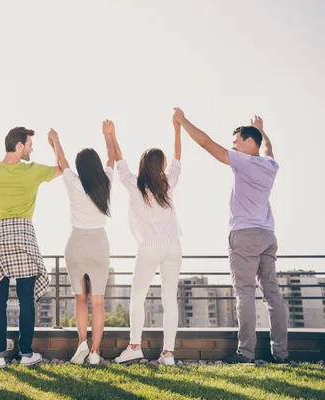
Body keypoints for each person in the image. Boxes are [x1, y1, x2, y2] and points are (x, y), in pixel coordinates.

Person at [173, 108, 288, 364]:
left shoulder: (243, 161)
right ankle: (280, 353)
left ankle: (245, 353)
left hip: (244, 235)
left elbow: (206, 144)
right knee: (273, 294)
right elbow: (268, 148)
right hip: (267, 235)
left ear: (249, 143)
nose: (233, 146)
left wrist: (183, 121)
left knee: (245, 293)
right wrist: (261, 129)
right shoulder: (270, 165)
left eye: (236, 142)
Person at [0, 126, 62, 368]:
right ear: (20, 145)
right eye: (30, 144)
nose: (32, 148)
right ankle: (26, 354)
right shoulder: (33, 171)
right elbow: (62, 168)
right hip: (23, 235)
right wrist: (55, 142)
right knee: (26, 300)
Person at [112, 117, 183, 366]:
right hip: (173, 246)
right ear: (161, 165)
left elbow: (120, 162)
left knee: (138, 297)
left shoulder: (134, 185)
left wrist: (110, 135)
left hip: (149, 247)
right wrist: (177, 128)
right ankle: (168, 354)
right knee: (169, 299)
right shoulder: (168, 183)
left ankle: (134, 347)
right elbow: (177, 159)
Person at [52, 121, 115, 365]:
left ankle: (82, 343)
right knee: (97, 300)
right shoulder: (106, 183)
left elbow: (62, 159)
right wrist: (108, 135)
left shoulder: (74, 183)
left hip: (76, 243)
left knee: (80, 298)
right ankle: (96, 352)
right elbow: (110, 158)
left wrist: (54, 138)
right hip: (99, 243)